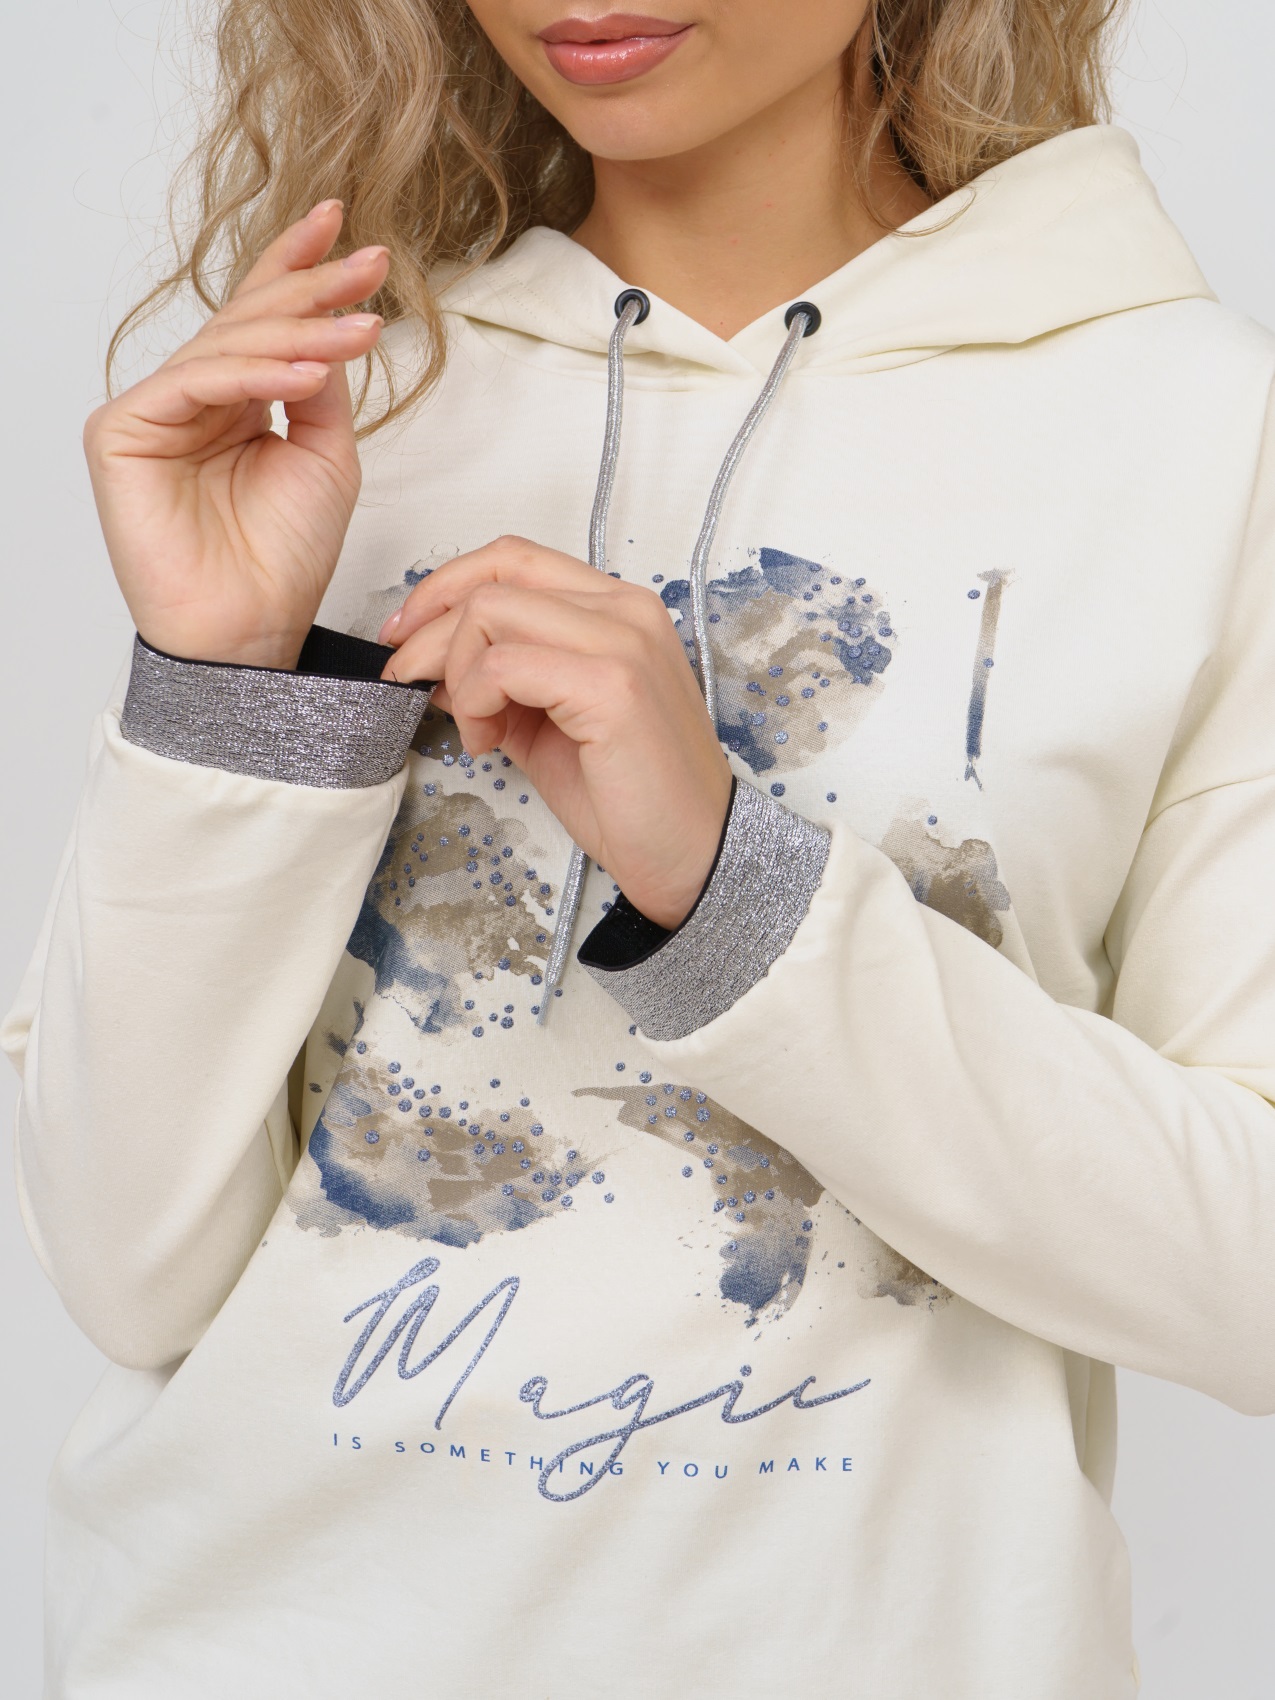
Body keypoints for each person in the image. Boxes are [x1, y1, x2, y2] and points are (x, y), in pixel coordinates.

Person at [5, 0, 1275, 1693]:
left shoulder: (1194, 433)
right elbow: (128, 1274)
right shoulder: (334, 404)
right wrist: (220, 691)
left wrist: (736, 889)